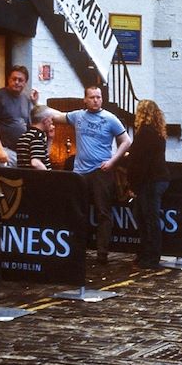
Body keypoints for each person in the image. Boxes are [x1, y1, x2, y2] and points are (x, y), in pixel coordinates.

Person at [54, 86, 132, 264]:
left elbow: (126, 141)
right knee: (76, 210)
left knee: (103, 212)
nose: (96, 100)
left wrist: (113, 161)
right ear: (85, 100)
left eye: (99, 97)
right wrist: (34, 103)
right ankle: (76, 249)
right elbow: (57, 116)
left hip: (101, 171)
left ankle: (102, 253)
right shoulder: (78, 116)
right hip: (80, 172)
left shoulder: (110, 118)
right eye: (92, 97)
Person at [127, 100, 170, 269]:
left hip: (150, 181)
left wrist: (133, 186)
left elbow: (139, 163)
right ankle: (146, 254)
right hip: (159, 179)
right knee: (147, 218)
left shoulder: (144, 133)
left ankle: (150, 257)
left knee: (149, 220)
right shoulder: (158, 133)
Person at [0, 65, 38, 167]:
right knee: (0, 181)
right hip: (1, 151)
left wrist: (35, 103)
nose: (17, 82)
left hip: (18, 153)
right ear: (8, 79)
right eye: (14, 79)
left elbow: (30, 126)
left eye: (20, 80)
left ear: (25, 83)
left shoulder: (26, 99)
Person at [16, 105, 54, 170]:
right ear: (45, 121)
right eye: (51, 119)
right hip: (36, 179)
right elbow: (35, 162)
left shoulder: (25, 136)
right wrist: (49, 176)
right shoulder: (37, 136)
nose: (52, 122)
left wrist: (50, 139)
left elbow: (42, 156)